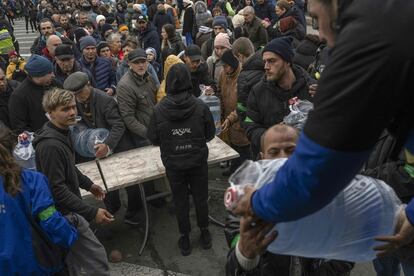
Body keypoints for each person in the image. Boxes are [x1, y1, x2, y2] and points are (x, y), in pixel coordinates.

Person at [233, 0, 414, 274]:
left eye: (317, 19)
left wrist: (257, 203)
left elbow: (317, 170)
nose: (327, 41)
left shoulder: (368, 36)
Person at [225, 124, 354, 275]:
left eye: (291, 151)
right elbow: (234, 257)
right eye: (274, 152)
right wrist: (245, 254)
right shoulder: (244, 203)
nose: (283, 159)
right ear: (262, 158)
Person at [33, 88, 112, 275]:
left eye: (73, 107)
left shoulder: (62, 133)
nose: (72, 113)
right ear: (50, 112)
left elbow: (69, 167)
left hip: (67, 212)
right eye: (65, 109)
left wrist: (88, 184)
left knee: (73, 264)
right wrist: (92, 212)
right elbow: (57, 189)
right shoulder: (50, 146)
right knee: (97, 259)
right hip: (65, 215)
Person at [147, 63, 216, 256]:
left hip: (174, 164)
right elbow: (210, 134)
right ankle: (204, 232)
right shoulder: (200, 106)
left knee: (180, 200)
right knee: (201, 198)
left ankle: (184, 237)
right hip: (197, 162)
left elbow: (152, 137)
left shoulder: (159, 110)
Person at [0, 126, 78, 275]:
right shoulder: (31, 180)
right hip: (36, 265)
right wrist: (70, 234)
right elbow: (49, 218)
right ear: (12, 146)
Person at [242, 38, 314, 158]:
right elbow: (250, 126)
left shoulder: (312, 89)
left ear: (287, 62)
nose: (266, 66)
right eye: (265, 61)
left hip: (306, 161)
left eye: (271, 61)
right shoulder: (257, 91)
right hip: (271, 163)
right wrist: (272, 137)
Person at [219, 50, 250, 175]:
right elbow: (220, 92)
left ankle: (239, 174)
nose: (224, 69)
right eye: (223, 66)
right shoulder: (223, 74)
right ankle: (234, 169)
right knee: (233, 147)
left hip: (240, 120)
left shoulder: (242, 77)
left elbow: (243, 105)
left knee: (243, 150)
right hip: (228, 119)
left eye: (226, 66)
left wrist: (231, 118)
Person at [8, 55, 55, 134]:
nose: (53, 75)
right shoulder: (19, 96)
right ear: (38, 76)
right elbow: (19, 127)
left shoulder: (54, 84)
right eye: (49, 72)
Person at [231, 37, 264, 123]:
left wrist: (245, 125)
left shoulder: (244, 77)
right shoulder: (266, 63)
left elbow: (242, 107)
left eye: (237, 58)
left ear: (240, 55)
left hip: (254, 123)